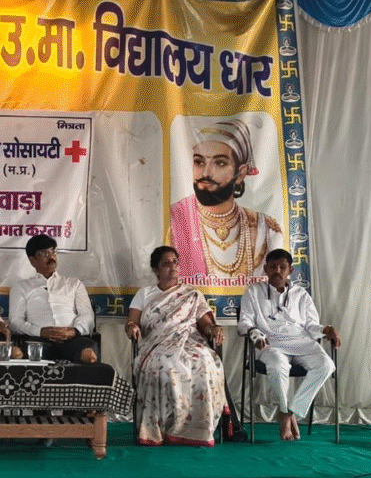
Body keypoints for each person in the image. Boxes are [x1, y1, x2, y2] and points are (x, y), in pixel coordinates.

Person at [125, 246, 227, 446]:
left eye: (175, 262)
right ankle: (165, 427)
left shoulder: (192, 294)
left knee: (206, 363)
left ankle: (198, 429)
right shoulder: (144, 294)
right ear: (156, 269)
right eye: (166, 263)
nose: (172, 267)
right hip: (156, 344)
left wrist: (213, 329)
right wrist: (132, 327)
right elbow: (132, 322)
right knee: (164, 367)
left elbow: (205, 324)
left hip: (189, 341)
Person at [237, 248, 340, 441]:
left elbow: (311, 326)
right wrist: (255, 334)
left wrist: (326, 329)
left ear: (290, 270)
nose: (277, 271)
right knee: (277, 367)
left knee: (326, 365)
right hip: (270, 344)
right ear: (265, 269)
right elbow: (245, 322)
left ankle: (288, 412)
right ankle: (285, 411)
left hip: (302, 342)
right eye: (273, 267)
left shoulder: (301, 294)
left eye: (282, 267)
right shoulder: (254, 291)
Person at [170, 118, 283, 279]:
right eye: (199, 162)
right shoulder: (173, 221)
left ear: (241, 173)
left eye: (220, 163)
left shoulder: (265, 229)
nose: (205, 173)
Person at [9, 234, 98, 363]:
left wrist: (74, 331)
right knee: (25, 352)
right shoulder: (21, 287)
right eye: (45, 253)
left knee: (88, 353)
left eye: (53, 252)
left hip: (72, 339)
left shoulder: (74, 284)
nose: (51, 257)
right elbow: (15, 322)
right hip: (39, 340)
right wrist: (40, 332)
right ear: (32, 260)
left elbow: (87, 315)